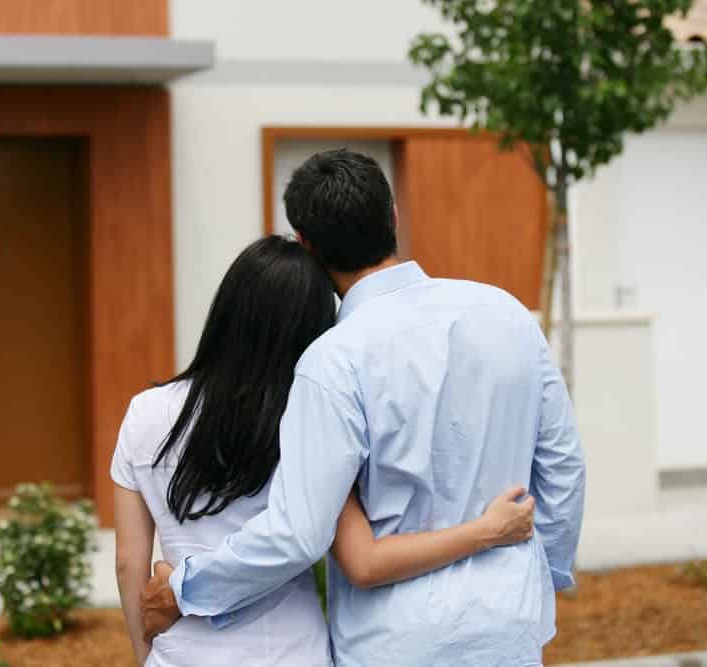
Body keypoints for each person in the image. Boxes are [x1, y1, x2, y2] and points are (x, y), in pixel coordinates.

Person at [141, 150, 586, 667]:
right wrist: (538, 580)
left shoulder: (332, 362)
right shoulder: (508, 315)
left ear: (305, 245)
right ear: (394, 215)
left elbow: (296, 534)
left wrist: (187, 587)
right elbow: (563, 468)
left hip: (393, 644)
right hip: (509, 630)